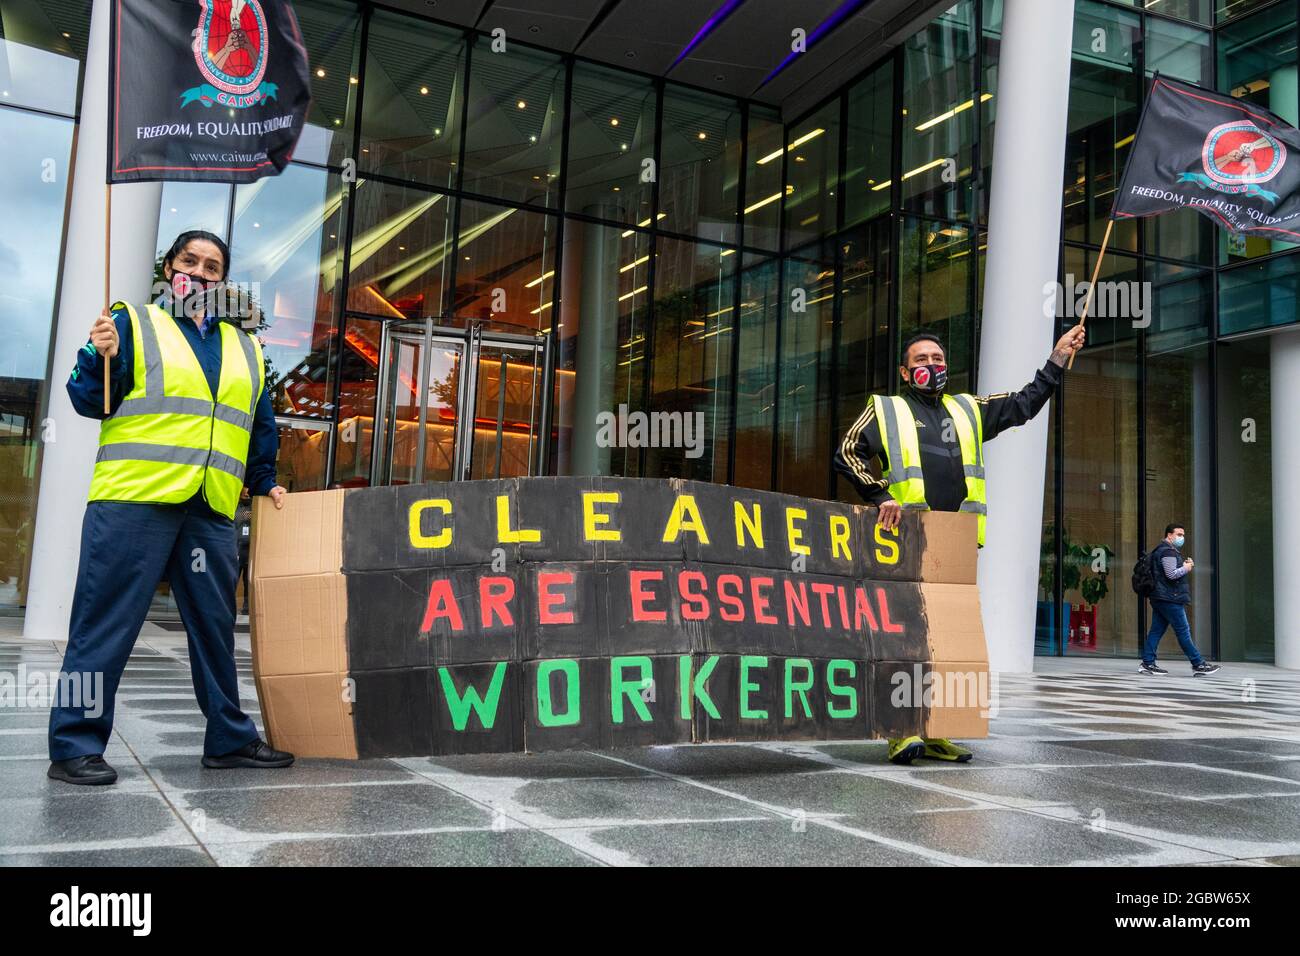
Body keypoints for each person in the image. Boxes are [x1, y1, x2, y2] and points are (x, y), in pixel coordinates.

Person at [47, 230, 295, 785]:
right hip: (134, 499)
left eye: (213, 266)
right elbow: (90, 401)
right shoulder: (133, 322)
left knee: (214, 627)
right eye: (191, 261)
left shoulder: (247, 347)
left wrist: (264, 482)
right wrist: (99, 357)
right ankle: (73, 745)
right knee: (105, 621)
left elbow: (259, 426)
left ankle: (229, 739)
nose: (202, 273)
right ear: (169, 267)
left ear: (223, 281)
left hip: (210, 508)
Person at [835, 324, 1086, 765]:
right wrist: (880, 493)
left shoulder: (968, 408)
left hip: (956, 541)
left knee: (949, 642)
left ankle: (939, 731)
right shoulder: (886, 409)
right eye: (921, 361)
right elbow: (847, 451)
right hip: (905, 538)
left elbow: (1023, 405)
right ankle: (901, 731)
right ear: (904, 370)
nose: (932, 366)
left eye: (937, 359)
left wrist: (1057, 359)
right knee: (906, 637)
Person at [1139, 523, 1220, 677]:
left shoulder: (1162, 550)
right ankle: (1198, 664)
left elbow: (1166, 573)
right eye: (1178, 534)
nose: (1181, 538)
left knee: (1156, 631)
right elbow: (1171, 574)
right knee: (1183, 632)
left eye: (1183, 535)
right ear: (1169, 535)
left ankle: (1147, 663)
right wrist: (1187, 568)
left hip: (1161, 597)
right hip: (1170, 599)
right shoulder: (1168, 552)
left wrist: (1182, 566)